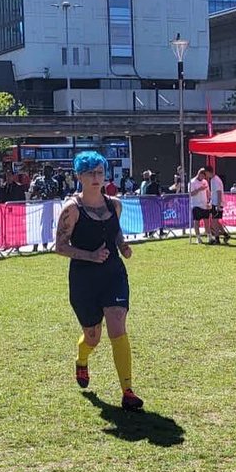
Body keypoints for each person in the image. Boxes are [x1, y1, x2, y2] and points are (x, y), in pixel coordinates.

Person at [55, 150, 142, 411]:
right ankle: (82, 361)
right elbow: (59, 246)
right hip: (84, 279)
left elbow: (115, 233)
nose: (96, 177)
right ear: (79, 176)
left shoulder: (114, 204)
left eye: (100, 172)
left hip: (113, 273)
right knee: (92, 337)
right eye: (90, 173)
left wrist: (123, 246)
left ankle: (127, 391)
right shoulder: (72, 210)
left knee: (117, 324)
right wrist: (89, 255)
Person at [206, 166, 231, 244]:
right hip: (214, 203)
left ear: (209, 172)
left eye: (206, 173)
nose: (206, 175)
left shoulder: (216, 180)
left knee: (214, 222)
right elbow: (213, 193)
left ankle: (217, 239)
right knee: (215, 221)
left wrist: (218, 205)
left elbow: (219, 192)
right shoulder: (212, 180)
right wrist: (211, 202)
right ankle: (225, 234)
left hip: (217, 203)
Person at [188, 168, 211, 243]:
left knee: (206, 221)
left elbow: (208, 192)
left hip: (204, 204)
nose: (203, 178)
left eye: (204, 176)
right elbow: (191, 194)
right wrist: (199, 189)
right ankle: (198, 238)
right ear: (199, 174)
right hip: (196, 204)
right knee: (196, 222)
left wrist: (209, 201)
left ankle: (209, 236)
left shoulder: (205, 181)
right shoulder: (192, 182)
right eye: (202, 176)